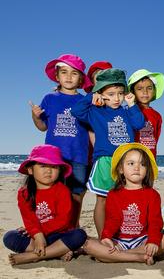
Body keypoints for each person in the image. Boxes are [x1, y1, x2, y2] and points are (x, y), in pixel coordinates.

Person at [71, 68, 145, 235]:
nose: (116, 98)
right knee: (103, 200)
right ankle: (102, 236)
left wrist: (132, 104)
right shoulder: (95, 112)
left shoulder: (127, 112)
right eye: (111, 94)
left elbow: (139, 124)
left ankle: (122, 234)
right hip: (105, 160)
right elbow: (76, 111)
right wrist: (91, 96)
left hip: (126, 162)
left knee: (124, 199)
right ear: (101, 93)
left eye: (120, 93)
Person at [84, 143, 164, 264]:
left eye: (142, 164)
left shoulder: (152, 195)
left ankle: (114, 257)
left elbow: (155, 221)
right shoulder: (113, 194)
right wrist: (106, 237)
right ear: (121, 169)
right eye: (131, 163)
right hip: (119, 241)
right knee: (89, 245)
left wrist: (153, 241)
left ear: (147, 169)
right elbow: (112, 220)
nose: (137, 167)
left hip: (142, 240)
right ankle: (137, 257)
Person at [30, 54, 92, 225]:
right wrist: (35, 116)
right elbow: (43, 126)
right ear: (57, 76)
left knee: (76, 194)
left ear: (81, 79)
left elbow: (91, 128)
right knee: (54, 193)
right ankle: (56, 228)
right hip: (54, 158)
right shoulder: (49, 99)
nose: (69, 77)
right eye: (64, 72)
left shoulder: (85, 101)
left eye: (74, 73)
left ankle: (74, 226)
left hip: (79, 156)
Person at [3, 145, 87, 265]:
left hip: (59, 234)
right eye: (43, 166)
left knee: (79, 235)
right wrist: (36, 234)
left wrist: (39, 233)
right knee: (9, 237)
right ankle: (57, 252)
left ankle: (35, 256)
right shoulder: (24, 193)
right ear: (30, 169)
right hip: (37, 236)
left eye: (54, 167)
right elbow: (29, 218)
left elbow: (63, 220)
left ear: (60, 170)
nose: (48, 170)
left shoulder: (62, 190)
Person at [128, 69, 164, 158]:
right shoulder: (128, 112)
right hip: (133, 158)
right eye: (139, 88)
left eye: (149, 88)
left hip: (150, 158)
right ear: (133, 92)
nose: (145, 92)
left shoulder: (157, 116)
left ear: (154, 91)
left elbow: (156, 139)